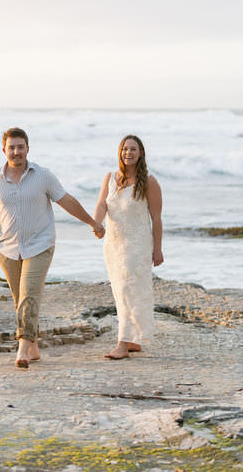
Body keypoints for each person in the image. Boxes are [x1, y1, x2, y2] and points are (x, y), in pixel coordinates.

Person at [0, 127, 105, 369]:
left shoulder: (43, 176)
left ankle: (23, 348)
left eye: (21, 147)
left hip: (40, 245)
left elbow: (66, 200)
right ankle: (34, 347)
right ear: (4, 150)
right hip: (8, 250)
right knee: (21, 299)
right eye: (12, 147)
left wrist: (92, 222)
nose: (16, 152)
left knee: (29, 295)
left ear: (28, 148)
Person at [92, 134, 163, 360]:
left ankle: (123, 343)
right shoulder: (111, 178)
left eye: (133, 149)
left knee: (127, 289)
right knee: (121, 290)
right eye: (125, 149)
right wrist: (97, 223)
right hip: (114, 244)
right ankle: (134, 338)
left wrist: (158, 249)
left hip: (138, 244)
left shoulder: (149, 182)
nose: (128, 153)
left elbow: (157, 218)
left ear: (141, 153)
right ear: (120, 152)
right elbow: (102, 203)